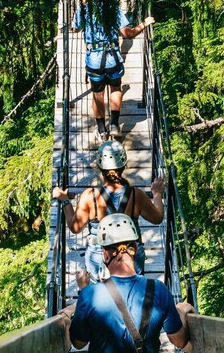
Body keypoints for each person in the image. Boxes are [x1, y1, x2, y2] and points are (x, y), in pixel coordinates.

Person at [61, 213, 193, 353]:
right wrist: (181, 310)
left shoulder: (89, 294)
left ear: (105, 255)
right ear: (135, 249)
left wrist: (68, 316)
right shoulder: (159, 290)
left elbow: (78, 343)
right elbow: (179, 341)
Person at [53, 140, 165, 284]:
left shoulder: (90, 196)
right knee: (133, 287)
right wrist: (157, 194)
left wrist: (65, 201)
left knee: (100, 291)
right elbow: (158, 218)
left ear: (99, 166)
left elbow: (74, 227)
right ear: (124, 165)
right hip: (130, 253)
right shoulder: (136, 195)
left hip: (100, 255)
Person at [72, 0, 154, 142]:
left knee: (97, 94)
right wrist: (144, 23)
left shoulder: (84, 10)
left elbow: (75, 28)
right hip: (113, 58)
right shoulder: (113, 10)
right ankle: (115, 125)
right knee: (115, 88)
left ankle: (102, 131)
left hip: (94, 60)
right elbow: (128, 34)